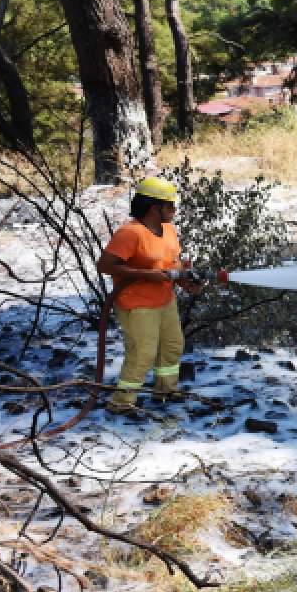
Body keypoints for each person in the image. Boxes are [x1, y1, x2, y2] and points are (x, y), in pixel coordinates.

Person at [95, 177, 199, 414]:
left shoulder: (169, 231)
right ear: (155, 207)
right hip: (137, 303)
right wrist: (146, 274)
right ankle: (121, 403)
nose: (174, 210)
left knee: (172, 347)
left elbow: (173, 264)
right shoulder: (131, 233)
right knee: (142, 353)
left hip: (165, 300)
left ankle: (165, 391)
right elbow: (104, 265)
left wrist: (185, 282)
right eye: (171, 205)